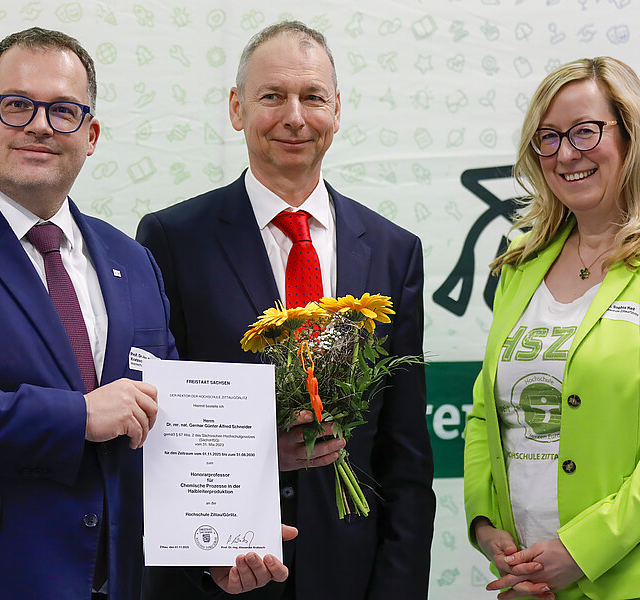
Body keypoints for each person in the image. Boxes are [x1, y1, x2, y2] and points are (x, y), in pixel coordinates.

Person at [0, 27, 290, 600]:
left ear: (91, 135)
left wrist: (209, 551)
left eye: (63, 111)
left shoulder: (132, 259)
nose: (39, 125)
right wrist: (77, 416)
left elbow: (163, 423)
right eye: (16, 105)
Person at [137, 20, 435, 600]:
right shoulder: (172, 240)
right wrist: (200, 563)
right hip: (221, 571)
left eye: (313, 97)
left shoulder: (394, 251)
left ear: (336, 110)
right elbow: (161, 429)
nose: (294, 117)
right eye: (272, 96)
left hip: (352, 573)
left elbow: (405, 452)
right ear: (237, 108)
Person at [463, 56, 640, 600]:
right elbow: (484, 414)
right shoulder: (520, 263)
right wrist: (485, 526)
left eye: (585, 131)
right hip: (525, 580)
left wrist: (581, 550)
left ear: (631, 135)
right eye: (548, 138)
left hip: (637, 585)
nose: (566, 153)